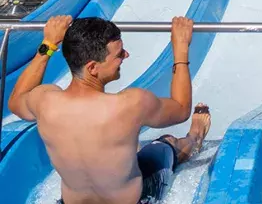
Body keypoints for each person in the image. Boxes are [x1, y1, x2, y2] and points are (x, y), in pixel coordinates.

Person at [8, 16, 211, 204]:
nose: (126, 55)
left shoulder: (44, 101)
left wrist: (48, 44)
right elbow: (182, 109)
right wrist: (181, 49)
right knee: (166, 143)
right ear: (93, 68)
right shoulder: (131, 104)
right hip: (137, 200)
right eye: (119, 54)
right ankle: (195, 137)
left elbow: (16, 101)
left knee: (130, 149)